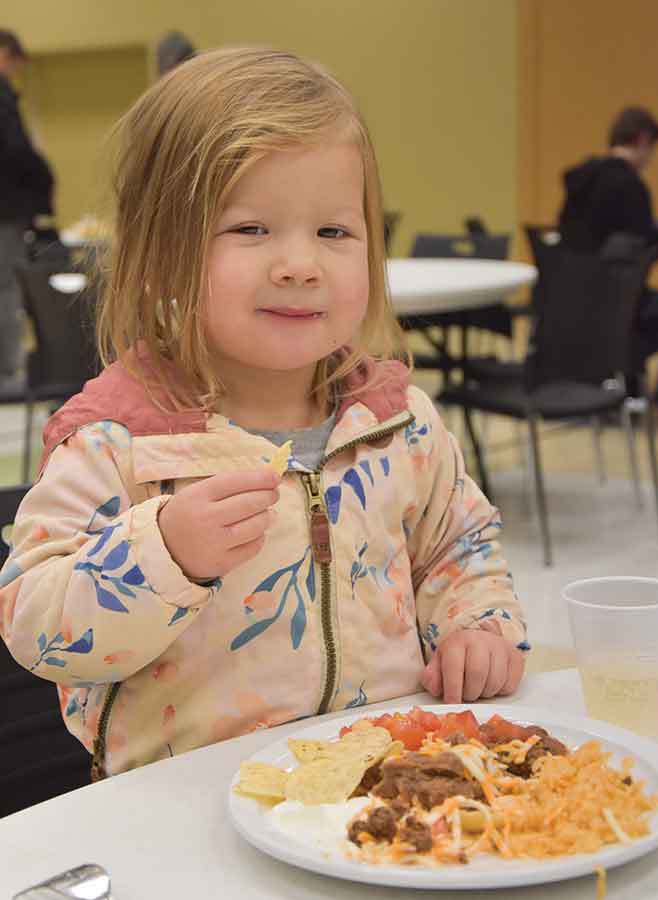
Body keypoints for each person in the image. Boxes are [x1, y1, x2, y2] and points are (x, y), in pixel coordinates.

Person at [0, 48, 528, 779]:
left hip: (382, 787)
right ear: (161, 256)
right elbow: (39, 631)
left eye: (333, 232)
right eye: (250, 230)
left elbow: (458, 547)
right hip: (183, 807)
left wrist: (477, 626)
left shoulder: (398, 421)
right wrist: (162, 554)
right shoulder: (118, 440)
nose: (298, 264)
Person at [558, 106, 658, 401]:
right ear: (642, 139)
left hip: (568, 300)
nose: (650, 159)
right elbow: (644, 246)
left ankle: (621, 381)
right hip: (615, 302)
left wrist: (654, 227)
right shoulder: (630, 185)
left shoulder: (583, 179)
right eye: (652, 149)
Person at [0, 29, 54, 383]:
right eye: (15, 64)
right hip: (5, 209)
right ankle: (9, 370)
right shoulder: (1, 95)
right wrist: (43, 179)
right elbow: (16, 152)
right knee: (7, 286)